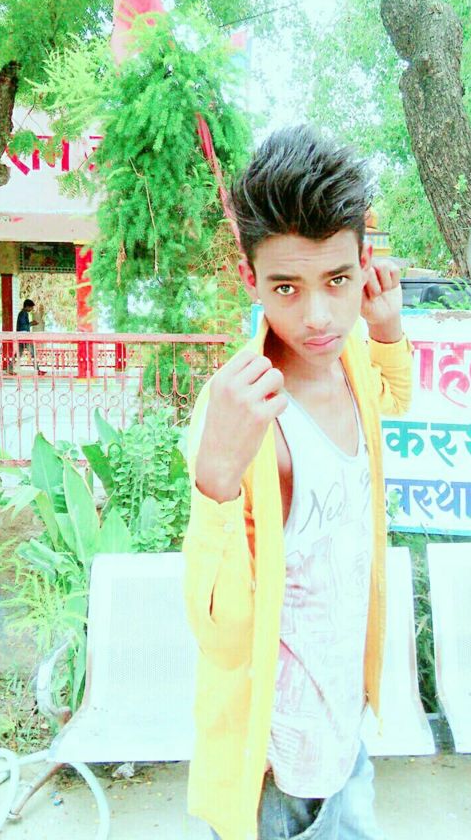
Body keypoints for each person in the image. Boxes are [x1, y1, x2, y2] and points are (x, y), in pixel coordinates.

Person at [182, 126, 413, 840]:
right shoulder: (242, 414)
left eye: (336, 281)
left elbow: (393, 400)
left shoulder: (350, 360)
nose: (317, 317)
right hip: (276, 771)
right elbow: (218, 632)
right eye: (286, 287)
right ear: (249, 279)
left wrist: (385, 329)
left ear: (364, 264)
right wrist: (215, 482)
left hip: (348, 732)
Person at [14, 298, 45, 375]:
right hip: (24, 337)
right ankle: (37, 370)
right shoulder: (23, 314)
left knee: (18, 354)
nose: (31, 309)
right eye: (31, 307)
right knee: (32, 353)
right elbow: (23, 327)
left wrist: (30, 324)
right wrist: (31, 323)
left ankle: (10, 368)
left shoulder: (22, 313)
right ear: (27, 306)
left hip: (21, 337)